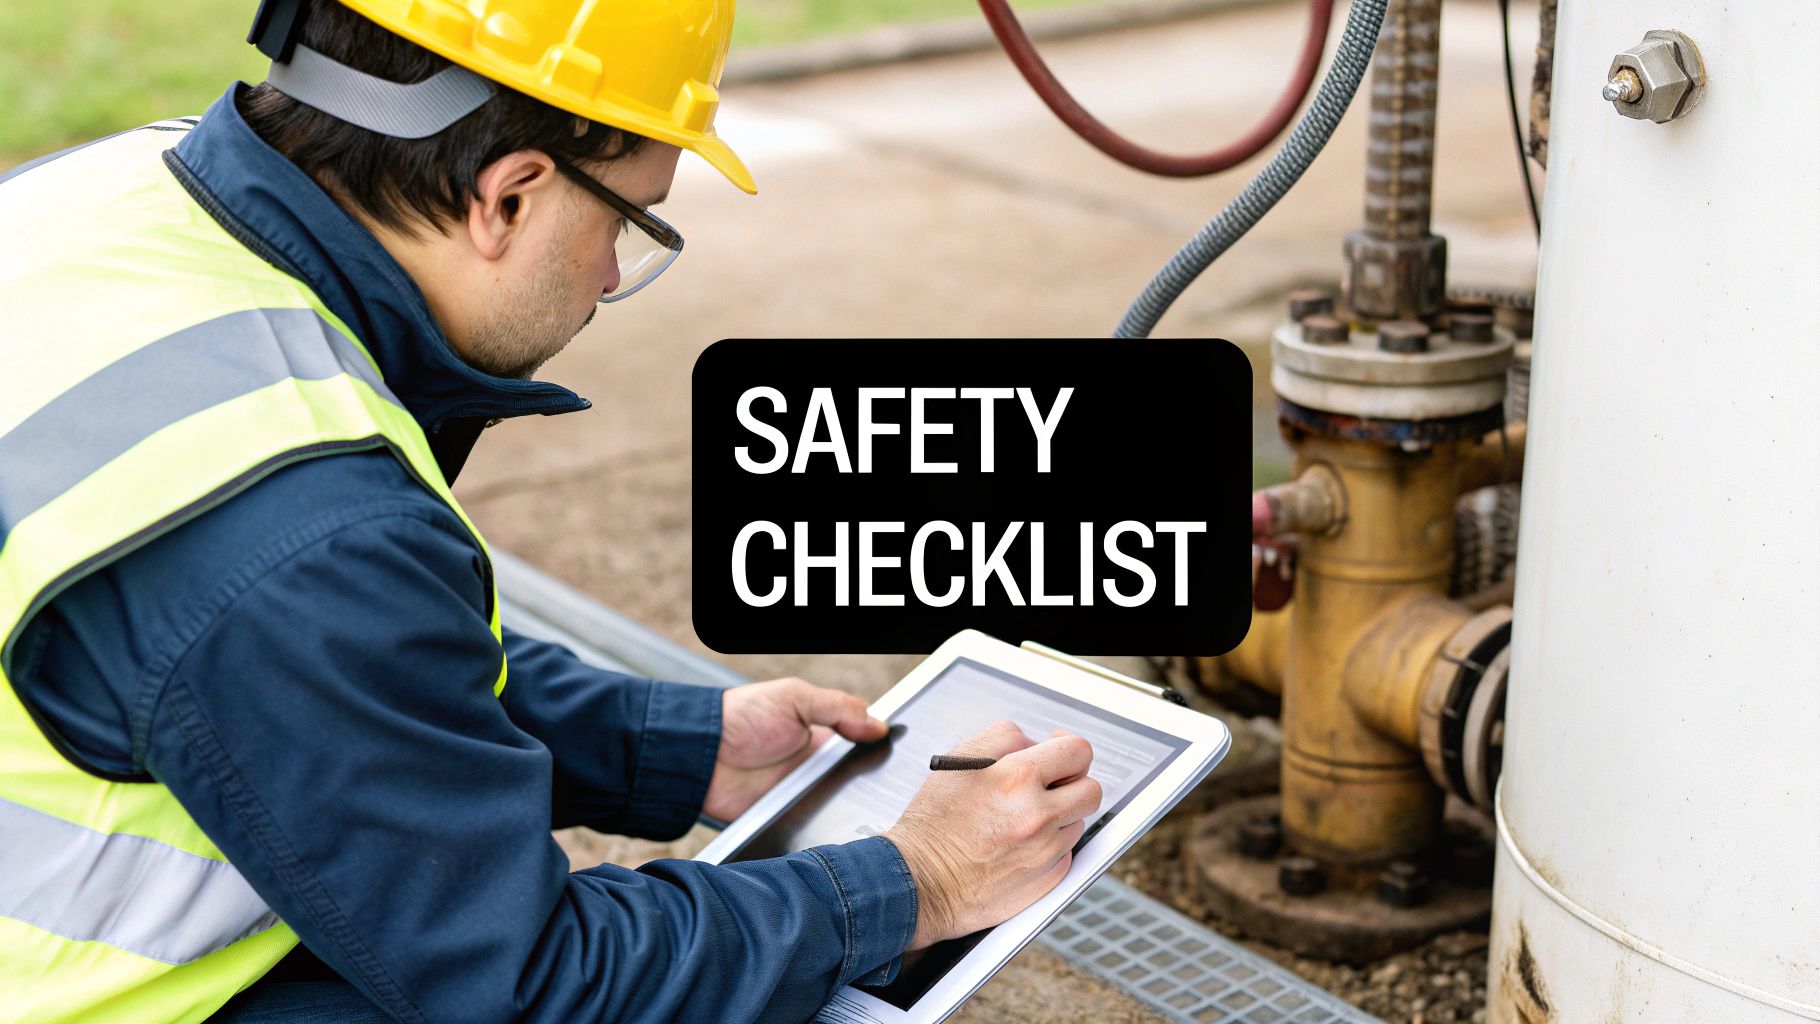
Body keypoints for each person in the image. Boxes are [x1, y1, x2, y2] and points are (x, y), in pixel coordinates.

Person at [0, 1, 1102, 1021]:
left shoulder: (107, 194)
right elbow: (529, 982)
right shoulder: (301, 520)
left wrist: (676, 749)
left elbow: (307, 668)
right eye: (631, 220)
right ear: (509, 195)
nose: (613, 278)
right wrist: (913, 882)